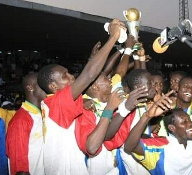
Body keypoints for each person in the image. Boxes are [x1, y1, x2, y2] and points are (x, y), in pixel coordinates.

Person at [37, 19, 126, 174]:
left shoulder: (52, 104)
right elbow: (89, 76)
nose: (72, 77)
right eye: (65, 76)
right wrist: (113, 37)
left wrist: (92, 60)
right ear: (53, 87)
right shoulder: (56, 103)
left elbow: (87, 79)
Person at [124, 97, 192, 175]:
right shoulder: (159, 148)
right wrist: (147, 116)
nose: (190, 124)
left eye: (189, 120)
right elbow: (129, 147)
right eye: (183, 122)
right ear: (172, 128)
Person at [6, 73, 46, 175]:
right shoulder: (21, 120)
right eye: (42, 84)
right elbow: (19, 168)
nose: (47, 86)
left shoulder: (44, 113)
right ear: (30, 88)